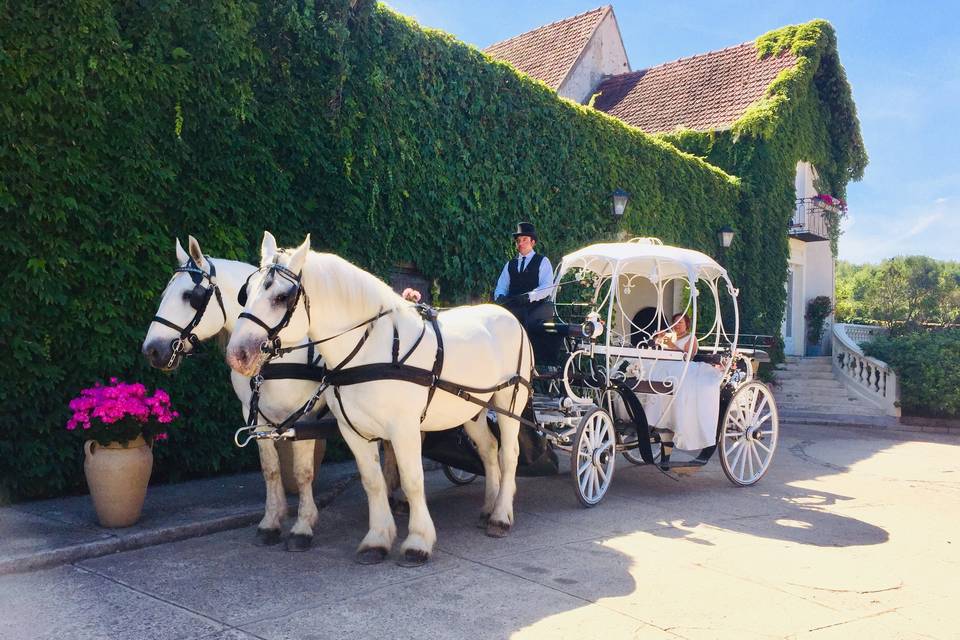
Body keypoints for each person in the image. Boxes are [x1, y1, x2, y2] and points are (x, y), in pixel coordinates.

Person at [493, 222, 554, 328]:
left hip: (534, 310)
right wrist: (500, 296)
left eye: (524, 239)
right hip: (512, 308)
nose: (520, 243)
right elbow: (501, 286)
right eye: (518, 240)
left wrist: (529, 296)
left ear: (533, 242)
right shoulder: (510, 264)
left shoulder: (543, 261)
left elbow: (547, 287)